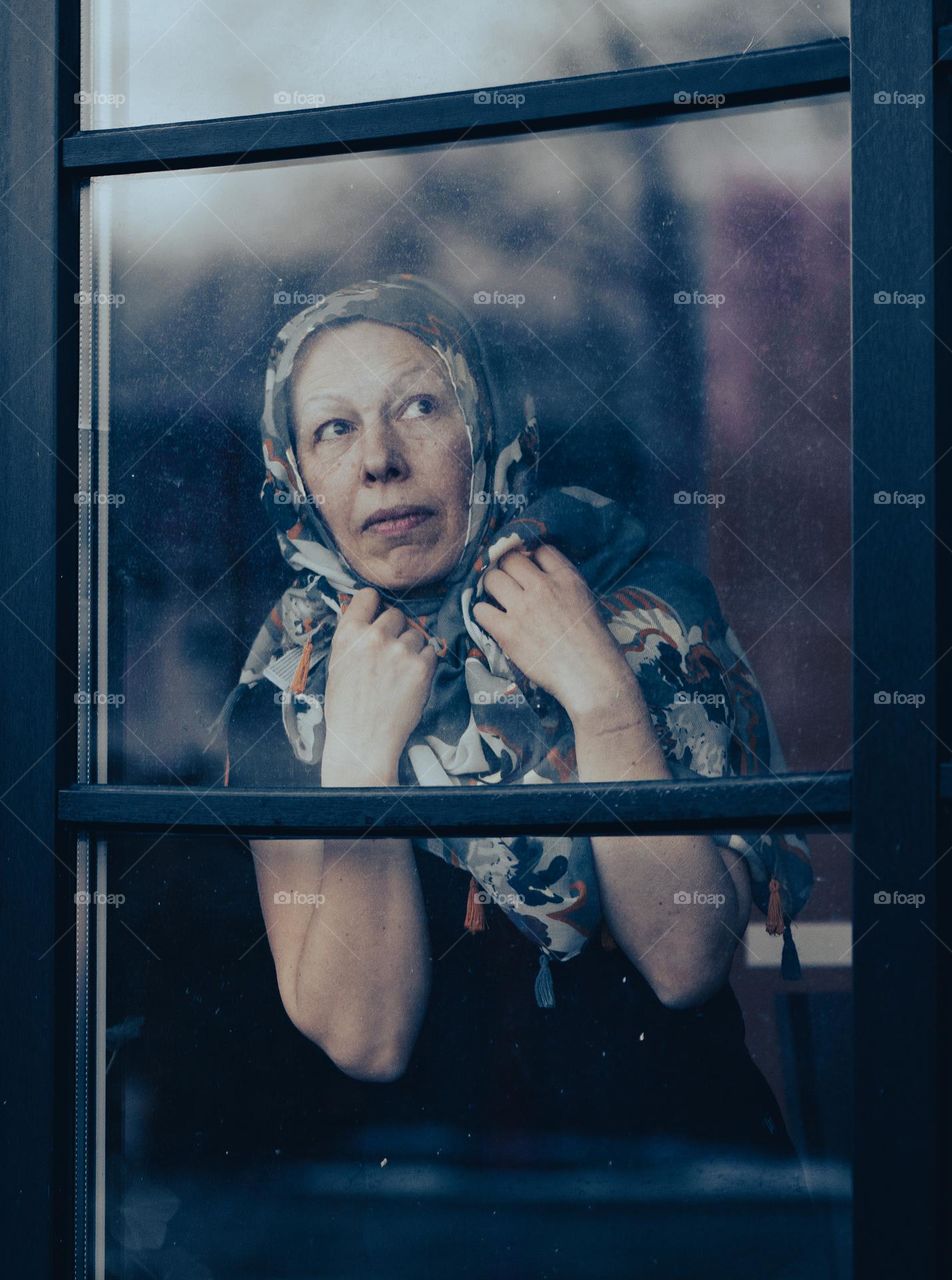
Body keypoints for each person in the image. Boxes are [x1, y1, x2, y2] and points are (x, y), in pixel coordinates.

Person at [211, 272, 814, 1174]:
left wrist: (601, 692)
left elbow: (687, 961)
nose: (379, 458)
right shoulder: (290, 680)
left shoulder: (644, 606)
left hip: (673, 1179)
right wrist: (361, 758)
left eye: (419, 406)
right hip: (411, 1193)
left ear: (488, 425)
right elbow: (363, 1034)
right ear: (294, 471)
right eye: (333, 428)